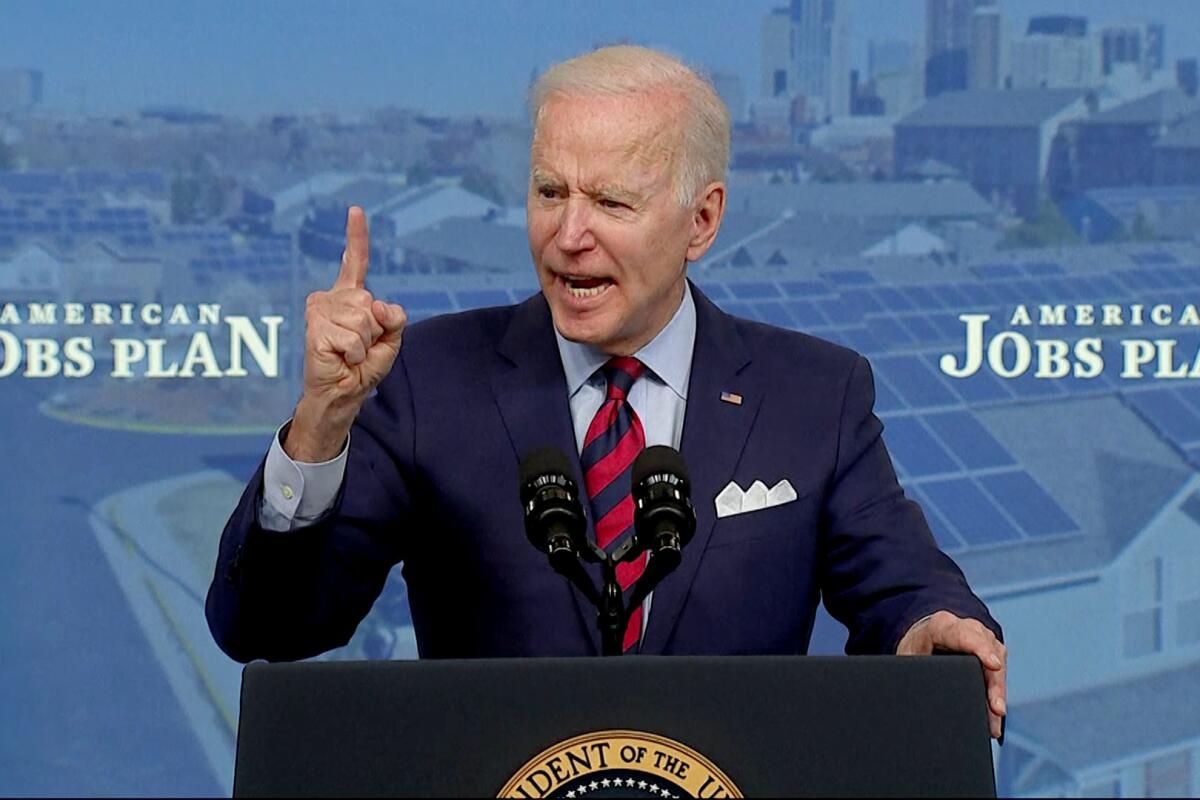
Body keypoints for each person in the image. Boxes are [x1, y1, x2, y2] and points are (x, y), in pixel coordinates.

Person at [207, 45, 1007, 738]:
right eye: (551, 192)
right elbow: (267, 626)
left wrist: (937, 625)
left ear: (703, 220)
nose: (568, 234)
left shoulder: (814, 394)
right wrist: (319, 423)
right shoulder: (430, 379)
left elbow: (904, 581)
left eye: (611, 201)